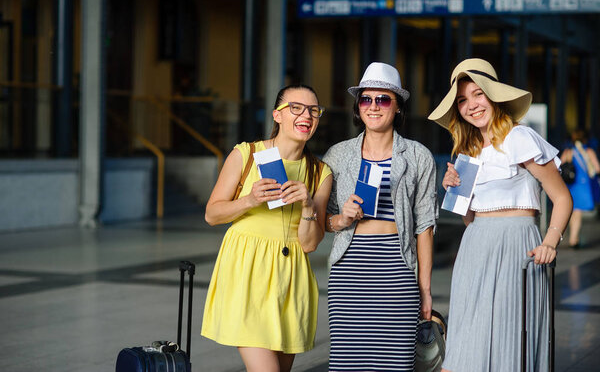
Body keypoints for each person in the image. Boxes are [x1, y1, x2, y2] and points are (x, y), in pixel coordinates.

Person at [428, 58, 572, 371]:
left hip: (517, 245)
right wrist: (451, 187)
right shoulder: (466, 154)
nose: (471, 105)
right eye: (463, 100)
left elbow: (561, 197)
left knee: (509, 341)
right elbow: (470, 219)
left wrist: (550, 241)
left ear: (494, 96)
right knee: (468, 341)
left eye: (478, 94)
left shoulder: (520, 138)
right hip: (475, 248)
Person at [201, 84, 333, 372]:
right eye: (295, 108)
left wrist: (309, 206)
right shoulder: (246, 154)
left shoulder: (320, 172)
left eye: (313, 110)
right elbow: (212, 214)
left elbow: (310, 244)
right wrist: (249, 200)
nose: (306, 115)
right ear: (277, 115)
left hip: (290, 277)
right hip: (247, 271)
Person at [323, 62, 437, 371]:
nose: (373, 107)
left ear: (398, 107)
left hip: (397, 272)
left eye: (383, 99)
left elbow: (425, 228)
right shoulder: (337, 155)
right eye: (366, 99)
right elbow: (324, 221)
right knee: (347, 364)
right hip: (350, 271)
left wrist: (424, 291)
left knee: (395, 364)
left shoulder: (417, 156)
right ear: (358, 107)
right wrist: (342, 219)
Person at [560, 129, 600, 248]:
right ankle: (574, 239)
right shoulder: (588, 151)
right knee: (577, 212)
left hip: (571, 184)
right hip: (583, 185)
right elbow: (597, 168)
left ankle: (573, 236)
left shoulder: (568, 152)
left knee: (573, 212)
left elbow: (559, 165)